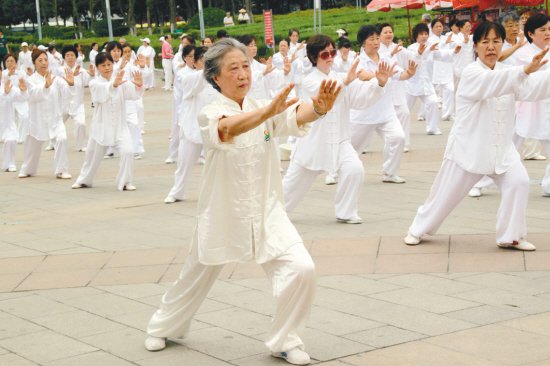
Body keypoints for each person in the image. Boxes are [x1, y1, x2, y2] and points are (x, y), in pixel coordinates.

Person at [145, 38, 341, 366]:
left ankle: (285, 340)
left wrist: (319, 106)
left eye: (245, 66)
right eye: (232, 68)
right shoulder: (209, 112)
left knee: (302, 268)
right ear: (216, 77)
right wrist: (266, 111)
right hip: (222, 213)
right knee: (193, 277)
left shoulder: (265, 106)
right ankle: (162, 326)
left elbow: (296, 115)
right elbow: (229, 127)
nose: (242, 74)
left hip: (266, 210)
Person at [404, 21, 550, 251]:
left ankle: (510, 237)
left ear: (503, 44)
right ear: (476, 46)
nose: (491, 47)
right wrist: (523, 71)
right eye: (485, 42)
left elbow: (531, 88)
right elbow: (494, 84)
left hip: (502, 149)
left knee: (519, 182)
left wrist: (531, 73)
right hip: (469, 149)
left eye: (496, 41)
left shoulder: (506, 72)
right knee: (444, 197)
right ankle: (417, 229)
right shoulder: (472, 72)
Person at [282, 34, 390, 225]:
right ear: (314, 58)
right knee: (290, 188)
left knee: (354, 169)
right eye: (325, 54)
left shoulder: (341, 77)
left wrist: (378, 83)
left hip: (340, 141)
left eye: (332, 52)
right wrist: (346, 82)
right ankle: (274, 213)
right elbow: (324, 98)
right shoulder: (309, 81)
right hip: (312, 143)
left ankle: (346, 212)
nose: (331, 57)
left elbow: (360, 99)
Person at [350, 25, 416, 184]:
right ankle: (334, 171)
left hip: (386, 112)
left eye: (376, 38)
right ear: (363, 43)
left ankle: (389, 173)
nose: (375, 42)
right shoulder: (358, 60)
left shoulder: (386, 58)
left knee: (398, 138)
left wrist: (409, 73)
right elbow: (362, 75)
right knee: (351, 148)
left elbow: (400, 74)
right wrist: (377, 77)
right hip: (364, 113)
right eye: (371, 39)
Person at [71, 52, 144, 191]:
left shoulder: (121, 80)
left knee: (128, 151)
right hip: (101, 127)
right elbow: (100, 95)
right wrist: (113, 85)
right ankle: (84, 180)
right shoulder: (94, 83)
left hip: (120, 127)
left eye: (109, 64)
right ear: (97, 67)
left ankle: (125, 181)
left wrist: (139, 85)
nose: (107, 67)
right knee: (92, 157)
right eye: (103, 65)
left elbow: (134, 95)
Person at [164, 46, 216, 203]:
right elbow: (195, 85)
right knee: (184, 163)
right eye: (204, 60)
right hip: (191, 126)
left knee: (216, 164)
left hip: (212, 127)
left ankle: (216, 194)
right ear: (195, 61)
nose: (207, 63)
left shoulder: (216, 78)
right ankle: (177, 192)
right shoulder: (185, 76)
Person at [18, 49, 75, 179]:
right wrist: (46, 86)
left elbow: (67, 94)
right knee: (32, 148)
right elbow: (32, 96)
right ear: (34, 63)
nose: (44, 63)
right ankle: (28, 169)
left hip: (55, 118)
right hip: (37, 119)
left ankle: (61, 170)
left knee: (62, 139)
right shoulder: (30, 80)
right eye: (40, 60)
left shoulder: (56, 79)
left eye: (45, 60)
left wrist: (71, 84)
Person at [510, 14, 550, 196]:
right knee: (508, 148)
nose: (547, 33)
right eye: (542, 30)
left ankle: (548, 185)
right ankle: (481, 181)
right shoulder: (522, 53)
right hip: (526, 107)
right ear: (531, 34)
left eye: (549, 29)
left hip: (546, 108)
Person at [406, 23, 441, 135]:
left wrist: (454, 52)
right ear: (416, 36)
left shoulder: (431, 47)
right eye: (421, 34)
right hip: (412, 84)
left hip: (426, 83)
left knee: (433, 102)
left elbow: (441, 55)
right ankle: (399, 129)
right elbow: (415, 62)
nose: (424, 36)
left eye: (426, 33)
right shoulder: (411, 48)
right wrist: (421, 52)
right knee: (404, 110)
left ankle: (432, 128)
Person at [1, 56, 27, 172]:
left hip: (7, 123)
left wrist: (22, 90)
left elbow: (22, 98)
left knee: (10, 140)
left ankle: (9, 163)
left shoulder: (8, 87)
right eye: (8, 61)